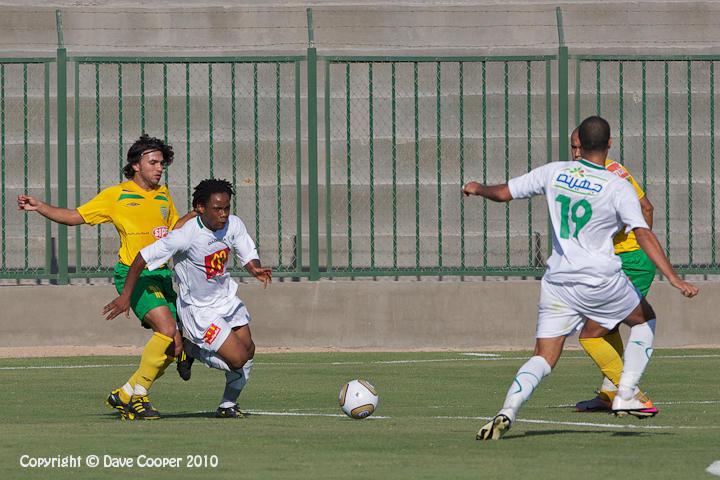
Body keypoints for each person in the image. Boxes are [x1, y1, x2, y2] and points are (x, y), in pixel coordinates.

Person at [462, 116, 698, 440]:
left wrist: (477, 188)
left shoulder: (554, 171)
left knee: (543, 357)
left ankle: (507, 410)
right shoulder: (617, 184)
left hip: (558, 283)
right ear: (610, 144)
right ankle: (626, 392)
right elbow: (642, 231)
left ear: (578, 145)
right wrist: (673, 277)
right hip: (602, 280)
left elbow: (504, 193)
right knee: (645, 320)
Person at [18, 134, 195, 420]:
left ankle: (124, 393)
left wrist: (196, 214)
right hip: (134, 275)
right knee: (165, 329)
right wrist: (41, 207)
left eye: (162, 163)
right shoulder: (116, 196)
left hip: (162, 274)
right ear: (136, 165)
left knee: (174, 348)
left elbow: (174, 230)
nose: (159, 167)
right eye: (153, 162)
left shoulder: (163, 194)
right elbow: (75, 216)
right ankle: (139, 399)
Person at [103, 179, 272, 418]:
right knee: (238, 360)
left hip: (227, 301)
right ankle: (191, 350)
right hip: (200, 311)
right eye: (217, 209)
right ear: (200, 209)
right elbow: (142, 257)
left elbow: (247, 252)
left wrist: (254, 269)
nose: (223, 214)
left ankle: (227, 406)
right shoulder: (185, 235)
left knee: (249, 350)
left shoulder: (234, 224)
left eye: (227, 208)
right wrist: (126, 295)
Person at [570, 128, 658, 413]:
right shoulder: (607, 171)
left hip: (631, 261)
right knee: (606, 326)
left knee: (592, 331)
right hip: (621, 262)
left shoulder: (606, 175)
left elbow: (646, 208)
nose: (576, 154)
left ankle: (630, 393)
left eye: (580, 148)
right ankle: (610, 395)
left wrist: (638, 244)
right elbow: (646, 206)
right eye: (573, 148)